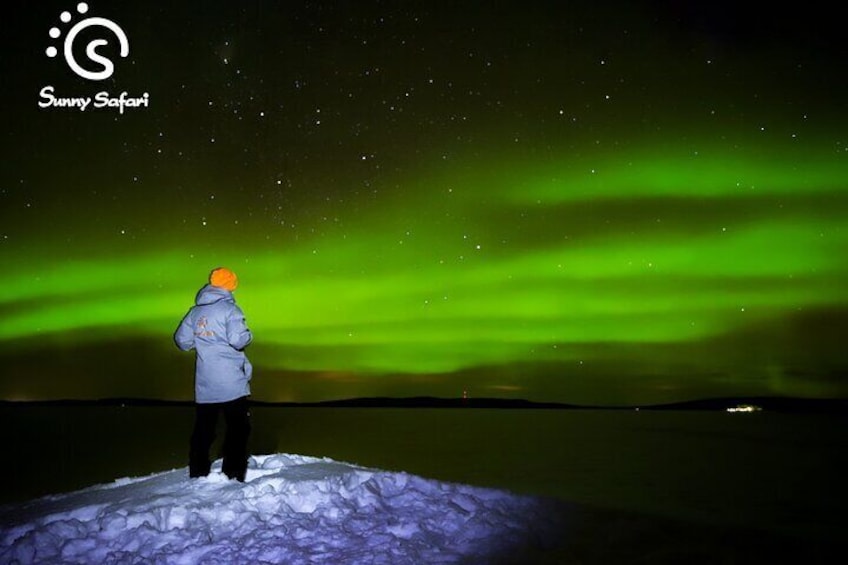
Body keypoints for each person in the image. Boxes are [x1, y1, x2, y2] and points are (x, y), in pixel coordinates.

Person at [174, 267, 253, 482]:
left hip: (205, 383)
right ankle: (233, 475)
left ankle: (198, 474)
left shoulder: (195, 312)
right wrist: (249, 334)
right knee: (238, 429)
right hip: (231, 383)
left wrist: (203, 340)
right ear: (229, 286)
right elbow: (239, 339)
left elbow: (182, 341)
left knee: (203, 431)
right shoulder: (230, 310)